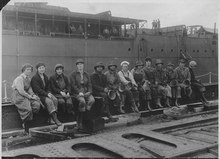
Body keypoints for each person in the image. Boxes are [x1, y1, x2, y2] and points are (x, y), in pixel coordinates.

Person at [12, 63, 41, 133]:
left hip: (26, 95)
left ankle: (29, 121)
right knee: (28, 109)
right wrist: (30, 97)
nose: (29, 71)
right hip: (18, 96)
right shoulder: (19, 79)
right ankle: (25, 124)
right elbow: (21, 91)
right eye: (27, 70)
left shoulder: (28, 79)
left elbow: (29, 88)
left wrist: (33, 95)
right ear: (23, 70)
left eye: (30, 70)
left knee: (37, 105)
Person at [69, 59, 95, 129]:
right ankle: (79, 120)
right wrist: (78, 92)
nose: (80, 66)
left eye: (81, 64)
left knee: (92, 100)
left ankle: (85, 114)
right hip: (77, 92)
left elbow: (89, 84)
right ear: (76, 66)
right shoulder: (73, 74)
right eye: (78, 65)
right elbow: (73, 85)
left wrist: (89, 91)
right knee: (82, 101)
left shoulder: (86, 74)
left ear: (83, 65)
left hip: (86, 91)